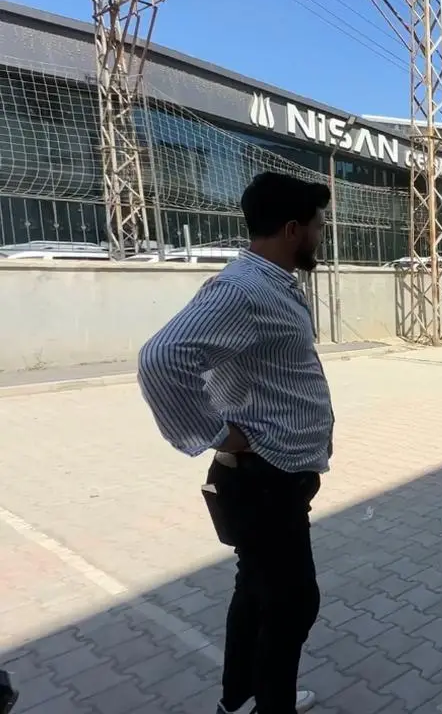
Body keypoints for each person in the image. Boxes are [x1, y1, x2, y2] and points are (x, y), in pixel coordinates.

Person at [136, 172, 333, 714]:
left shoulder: (269, 284)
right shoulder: (243, 289)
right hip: (261, 482)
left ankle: (239, 700)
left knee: (256, 594)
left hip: (273, 480)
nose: (321, 236)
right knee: (293, 604)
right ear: (292, 229)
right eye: (318, 226)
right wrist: (215, 433)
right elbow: (162, 358)